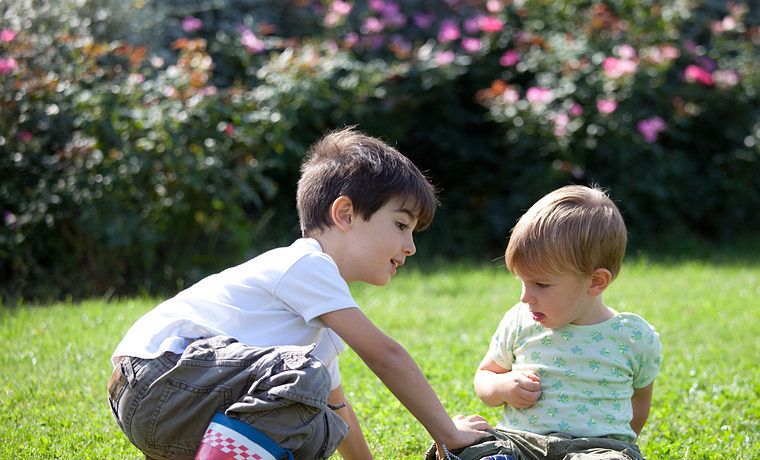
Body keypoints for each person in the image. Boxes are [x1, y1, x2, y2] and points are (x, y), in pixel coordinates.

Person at [108, 127, 490, 460]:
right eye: (401, 224)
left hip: (176, 406)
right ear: (345, 214)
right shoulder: (307, 266)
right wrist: (448, 434)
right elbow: (385, 355)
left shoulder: (318, 320)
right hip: (159, 380)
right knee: (304, 379)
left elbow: (338, 406)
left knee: (321, 421)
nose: (410, 246)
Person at [428, 185, 661, 460]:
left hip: (595, 448)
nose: (526, 297)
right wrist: (502, 387)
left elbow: (640, 400)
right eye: (523, 282)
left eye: (540, 284)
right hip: (520, 442)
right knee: (473, 442)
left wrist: (616, 446)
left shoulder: (634, 336)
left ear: (596, 281)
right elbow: (485, 377)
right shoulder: (519, 320)